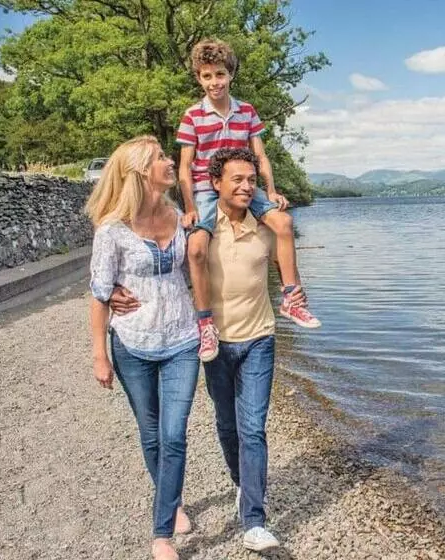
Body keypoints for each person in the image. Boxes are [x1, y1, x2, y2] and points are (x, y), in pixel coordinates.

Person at [86, 135, 198, 560]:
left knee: (174, 434)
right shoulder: (112, 230)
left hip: (182, 340)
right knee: (150, 433)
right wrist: (100, 354)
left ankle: (161, 534)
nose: (171, 162)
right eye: (161, 158)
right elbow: (98, 293)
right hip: (132, 344)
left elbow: (203, 264)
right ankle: (174, 500)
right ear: (140, 172)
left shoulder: (180, 217)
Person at [177, 38, 321, 365]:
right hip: (206, 186)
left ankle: (291, 298)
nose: (214, 82)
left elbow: (260, 155)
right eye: (207, 76)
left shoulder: (246, 112)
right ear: (199, 78)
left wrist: (270, 190)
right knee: (197, 248)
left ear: (231, 75)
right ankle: (205, 323)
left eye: (220, 75)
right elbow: (185, 166)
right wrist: (189, 207)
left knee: (283, 223)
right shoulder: (193, 116)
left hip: (243, 182)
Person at [203, 147, 287, 551]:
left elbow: (286, 258)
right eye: (236, 179)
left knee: (253, 428)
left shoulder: (265, 227)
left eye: (250, 179)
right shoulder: (200, 231)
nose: (245, 185)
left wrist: (295, 291)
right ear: (216, 183)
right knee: (226, 424)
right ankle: (241, 482)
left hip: (259, 339)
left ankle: (254, 520)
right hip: (215, 344)